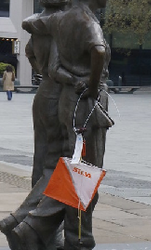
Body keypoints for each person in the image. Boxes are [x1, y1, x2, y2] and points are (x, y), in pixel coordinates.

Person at [7, 0, 113, 249]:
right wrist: (93, 85)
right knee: (83, 173)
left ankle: (32, 225)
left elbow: (30, 24)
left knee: (65, 167)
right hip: (85, 100)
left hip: (66, 98)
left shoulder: (59, 20)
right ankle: (64, 235)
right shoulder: (86, 21)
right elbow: (98, 50)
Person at [0, 1, 69, 249]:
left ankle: (44, 231)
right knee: (60, 166)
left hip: (43, 94)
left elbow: (29, 52)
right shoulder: (62, 24)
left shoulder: (40, 25)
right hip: (60, 95)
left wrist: (41, 71)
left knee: (42, 163)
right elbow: (57, 64)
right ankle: (24, 221)